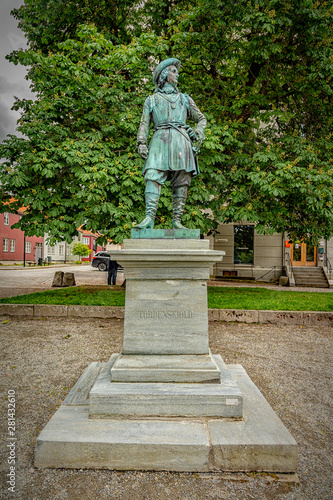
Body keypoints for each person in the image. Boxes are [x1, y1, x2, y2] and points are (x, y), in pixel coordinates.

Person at [134, 57, 207, 230]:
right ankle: (149, 218)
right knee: (152, 176)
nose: (177, 75)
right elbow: (144, 124)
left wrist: (197, 132)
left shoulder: (184, 99)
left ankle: (177, 221)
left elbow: (201, 119)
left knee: (182, 180)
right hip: (159, 141)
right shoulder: (151, 100)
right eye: (174, 71)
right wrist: (141, 143)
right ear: (165, 74)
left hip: (181, 141)